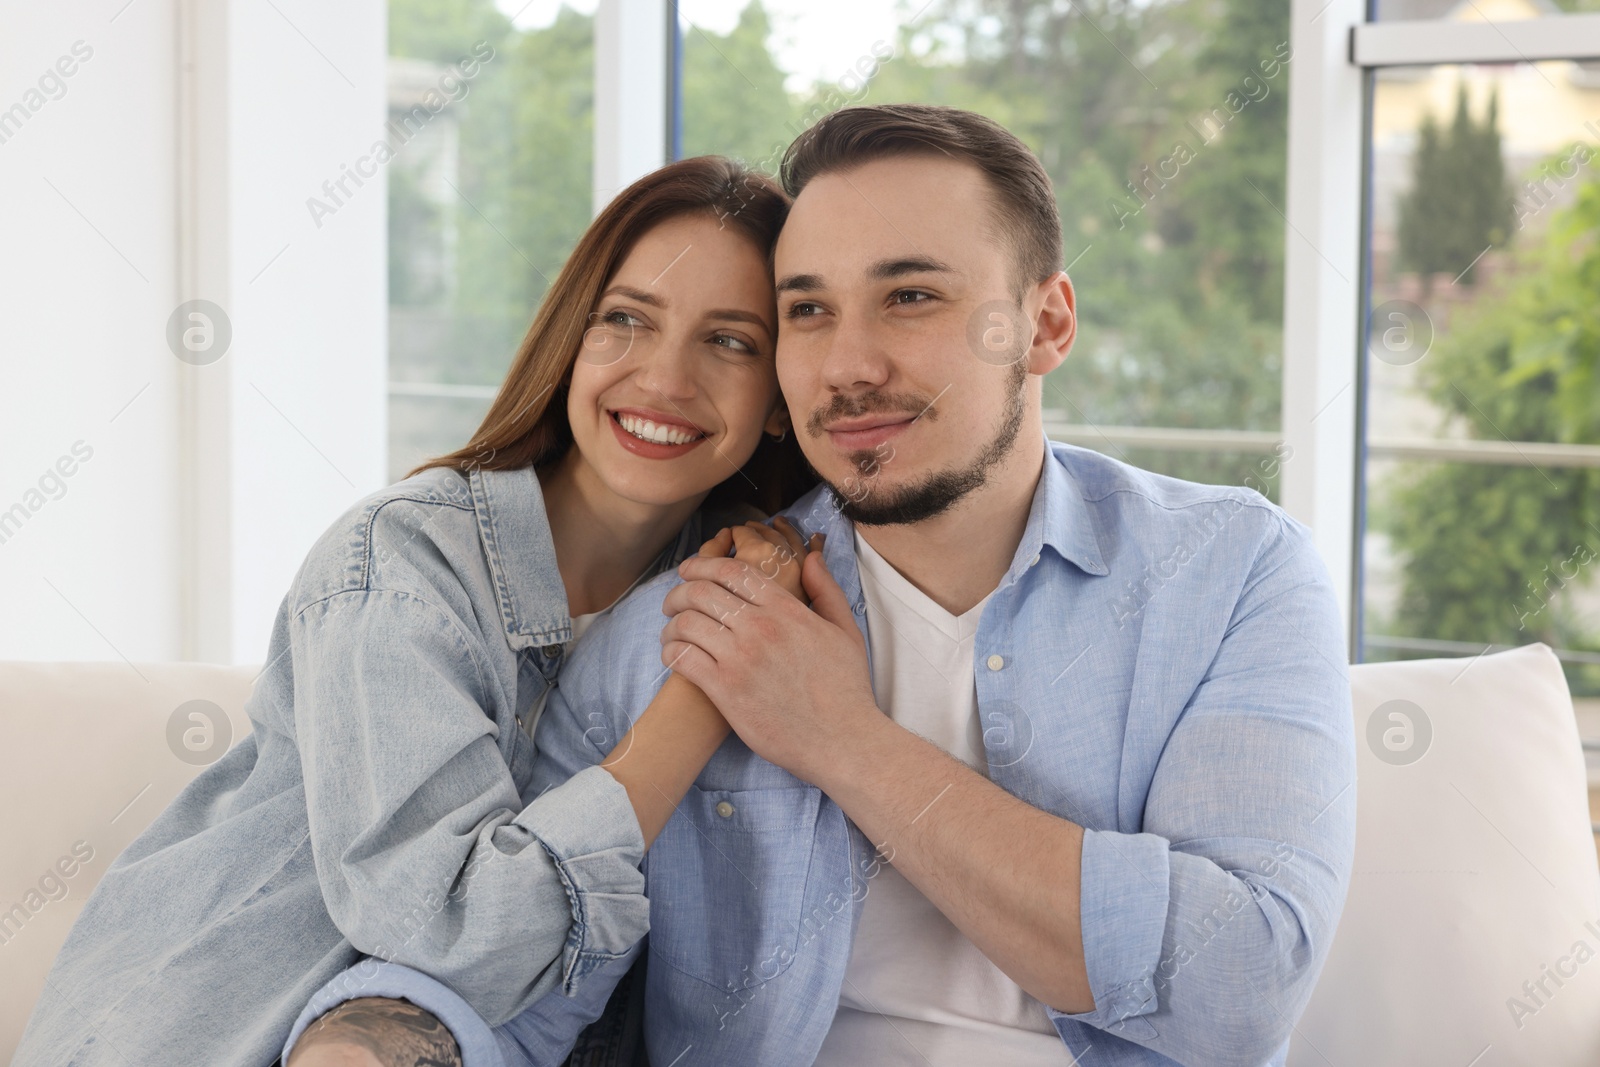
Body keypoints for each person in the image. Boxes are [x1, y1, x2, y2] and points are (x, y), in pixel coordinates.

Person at [293, 103, 1357, 1067]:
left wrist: (842, 738)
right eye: (805, 311)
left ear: (1044, 324)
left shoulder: (1229, 574)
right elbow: (511, 988)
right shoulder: (688, 619)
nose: (848, 365)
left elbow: (1239, 990)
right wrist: (372, 1043)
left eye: (909, 296)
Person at [13, 155, 819, 1067]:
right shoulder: (398, 564)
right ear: (570, 340)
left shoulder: (755, 581)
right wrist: (704, 689)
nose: (665, 378)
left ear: (785, 398)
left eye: (731, 341)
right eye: (626, 320)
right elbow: (452, 932)